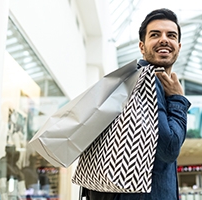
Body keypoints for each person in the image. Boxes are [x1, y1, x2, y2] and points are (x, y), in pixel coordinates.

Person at [83, 8, 191, 200]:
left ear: (179, 46)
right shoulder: (148, 81)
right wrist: (178, 100)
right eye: (155, 34)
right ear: (142, 47)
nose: (164, 39)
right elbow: (168, 148)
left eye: (171, 35)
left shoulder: (129, 79)